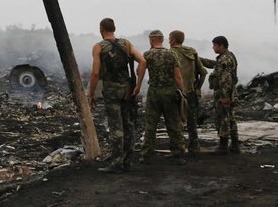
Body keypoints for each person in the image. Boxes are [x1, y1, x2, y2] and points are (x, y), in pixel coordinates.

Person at [87, 18, 147, 173]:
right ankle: (127, 160)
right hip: (128, 90)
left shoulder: (99, 47)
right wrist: (138, 85)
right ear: (114, 28)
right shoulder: (126, 44)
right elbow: (142, 61)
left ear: (101, 29)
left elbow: (95, 74)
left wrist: (91, 94)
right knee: (128, 124)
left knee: (116, 127)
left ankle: (116, 163)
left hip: (111, 90)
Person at [135, 30, 187, 164]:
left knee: (151, 124)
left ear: (152, 40)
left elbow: (139, 71)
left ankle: (146, 155)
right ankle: (178, 154)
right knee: (173, 124)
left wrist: (138, 85)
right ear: (162, 40)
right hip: (170, 92)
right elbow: (178, 76)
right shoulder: (172, 54)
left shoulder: (147, 54)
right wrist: (183, 92)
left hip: (154, 93)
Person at [169, 30, 207, 154]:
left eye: (169, 38)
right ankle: (194, 146)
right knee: (192, 121)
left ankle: (178, 148)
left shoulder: (170, 53)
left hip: (176, 92)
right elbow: (203, 73)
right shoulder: (192, 52)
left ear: (173, 40)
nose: (168, 41)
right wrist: (198, 88)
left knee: (176, 121)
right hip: (190, 91)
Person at [200, 35, 239, 154]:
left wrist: (224, 96)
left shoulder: (224, 60)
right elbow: (214, 64)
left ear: (221, 45)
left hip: (223, 92)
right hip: (228, 92)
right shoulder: (228, 56)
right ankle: (234, 145)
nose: (213, 48)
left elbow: (225, 79)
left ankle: (223, 146)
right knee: (230, 118)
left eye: (215, 45)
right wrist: (199, 59)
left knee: (223, 118)